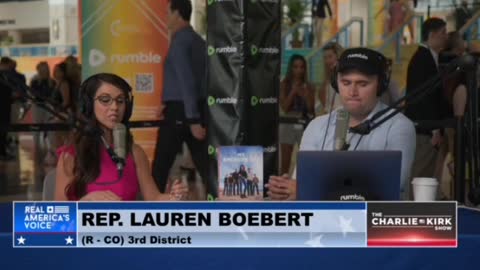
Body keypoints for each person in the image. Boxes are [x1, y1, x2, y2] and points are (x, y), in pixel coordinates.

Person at [267, 48, 416, 201]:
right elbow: (300, 182)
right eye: (346, 82)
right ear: (336, 83)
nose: (352, 91)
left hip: (373, 221)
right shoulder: (316, 126)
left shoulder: (400, 126)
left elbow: (390, 187)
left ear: (380, 85)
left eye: (362, 84)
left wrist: (307, 189)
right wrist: (285, 190)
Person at [55, 73, 188, 201]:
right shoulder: (71, 155)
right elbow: (59, 212)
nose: (114, 107)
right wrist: (84, 202)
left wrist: (173, 197)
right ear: (89, 105)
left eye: (120, 100)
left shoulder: (135, 153)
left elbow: (154, 198)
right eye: (105, 100)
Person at [152, 0, 209, 195]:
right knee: (206, 166)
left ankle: (148, 213)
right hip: (196, 109)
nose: (166, 17)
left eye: (168, 13)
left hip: (181, 111)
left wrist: (192, 118)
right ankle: (222, 205)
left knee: (160, 166)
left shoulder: (179, 43)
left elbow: (186, 82)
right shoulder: (199, 42)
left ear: (177, 14)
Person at [405, 18, 449, 185]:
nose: (446, 37)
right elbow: (423, 97)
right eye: (443, 33)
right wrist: (434, 129)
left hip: (428, 129)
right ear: (432, 34)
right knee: (420, 175)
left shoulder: (430, 57)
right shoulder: (422, 59)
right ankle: (412, 210)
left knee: (428, 177)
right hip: (425, 130)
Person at [279, 54, 315, 175]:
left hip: (304, 123)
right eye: (295, 67)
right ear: (291, 68)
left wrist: (305, 94)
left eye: (301, 67)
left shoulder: (309, 86)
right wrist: (293, 91)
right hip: (287, 123)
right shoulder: (284, 84)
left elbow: (311, 110)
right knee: (285, 160)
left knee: (306, 158)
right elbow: (284, 108)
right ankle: (281, 187)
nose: (299, 70)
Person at [320, 42, 343, 114]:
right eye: (325, 58)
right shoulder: (328, 78)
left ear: (338, 56)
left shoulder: (345, 77)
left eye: (330, 57)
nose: (327, 61)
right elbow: (326, 105)